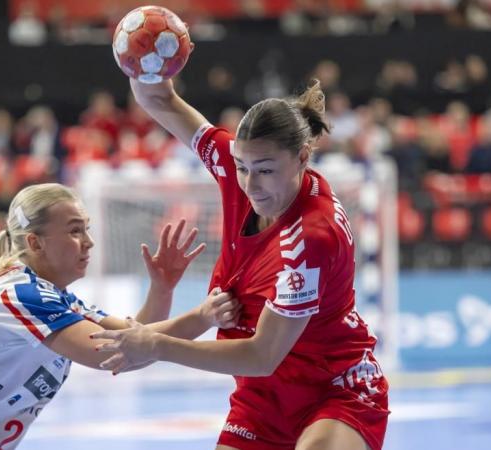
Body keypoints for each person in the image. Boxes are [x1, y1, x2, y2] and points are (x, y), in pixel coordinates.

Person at [91, 76, 390, 450]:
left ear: (302, 157)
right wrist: (142, 67)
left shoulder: (311, 236)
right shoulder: (239, 169)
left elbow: (262, 354)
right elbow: (162, 101)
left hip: (334, 389)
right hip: (262, 399)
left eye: (265, 170)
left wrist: (157, 346)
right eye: (243, 167)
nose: (251, 184)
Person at [0, 182, 239, 450]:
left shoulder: (55, 298)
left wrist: (164, 289)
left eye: (86, 229)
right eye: (73, 231)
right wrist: (204, 316)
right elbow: (113, 354)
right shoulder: (20, 294)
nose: (88, 242)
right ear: (34, 242)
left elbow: (135, 343)